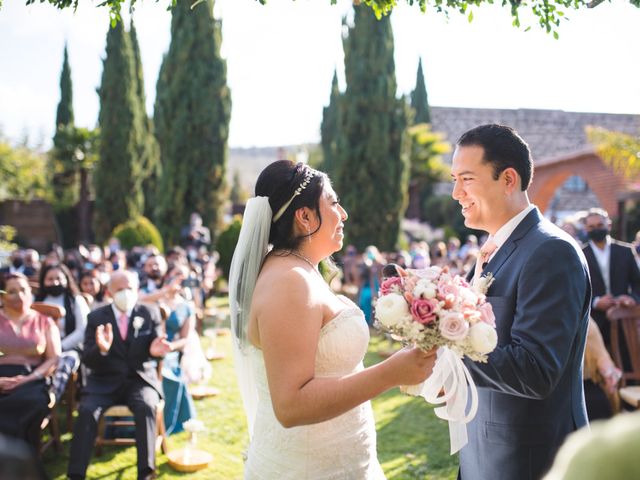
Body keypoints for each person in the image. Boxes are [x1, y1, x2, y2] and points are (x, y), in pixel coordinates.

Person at [229, 160, 436, 479]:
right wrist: (391, 372)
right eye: (334, 202)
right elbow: (291, 405)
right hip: (307, 468)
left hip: (339, 460)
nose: (344, 214)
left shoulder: (300, 270)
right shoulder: (288, 281)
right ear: (305, 216)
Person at [450, 124, 591, 480]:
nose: (455, 193)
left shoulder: (550, 251)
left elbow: (536, 368)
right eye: (454, 179)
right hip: (483, 454)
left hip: (531, 460)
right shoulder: (490, 250)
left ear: (508, 179)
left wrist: (444, 352)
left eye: (466, 179)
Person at [67, 270, 172, 480]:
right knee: (86, 411)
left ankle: (146, 473)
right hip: (103, 381)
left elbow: (158, 347)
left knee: (147, 406)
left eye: (130, 288)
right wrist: (102, 349)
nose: (126, 293)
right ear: (109, 292)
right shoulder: (96, 316)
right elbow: (87, 358)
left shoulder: (149, 313)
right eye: (120, 289)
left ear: (137, 289)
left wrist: (156, 352)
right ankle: (76, 474)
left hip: (139, 380)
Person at [0, 273, 61, 451]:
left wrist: (29, 378)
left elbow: (53, 358)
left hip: (33, 378)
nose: (19, 295)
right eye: (12, 291)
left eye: (23, 290)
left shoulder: (45, 322)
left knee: (32, 402)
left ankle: (23, 461)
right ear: (2, 296)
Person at [581, 208, 640, 348]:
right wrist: (595, 302)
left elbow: (638, 284)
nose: (596, 229)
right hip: (594, 322)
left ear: (608, 225)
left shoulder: (625, 251)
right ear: (586, 229)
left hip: (624, 320)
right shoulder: (580, 254)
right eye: (591, 227)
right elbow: (575, 290)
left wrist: (632, 298)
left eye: (600, 225)